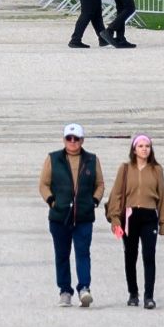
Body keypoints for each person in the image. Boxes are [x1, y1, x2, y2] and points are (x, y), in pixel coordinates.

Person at [40, 122, 101, 308]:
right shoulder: (53, 158)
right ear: (64, 140)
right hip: (60, 217)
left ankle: (84, 288)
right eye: (69, 138)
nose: (72, 142)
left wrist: (94, 201)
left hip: (83, 216)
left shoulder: (92, 159)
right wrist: (52, 201)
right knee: (62, 255)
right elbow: (43, 184)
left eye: (76, 139)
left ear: (82, 140)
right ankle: (65, 291)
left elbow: (100, 184)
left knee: (83, 253)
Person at [105, 133, 164, 308]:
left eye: (147, 146)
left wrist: (163, 222)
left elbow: (163, 196)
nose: (144, 149)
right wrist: (115, 219)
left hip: (149, 215)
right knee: (130, 255)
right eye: (140, 146)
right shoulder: (125, 169)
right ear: (134, 150)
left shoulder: (156, 170)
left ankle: (149, 296)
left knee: (149, 255)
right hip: (130, 215)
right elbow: (116, 194)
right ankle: (133, 293)